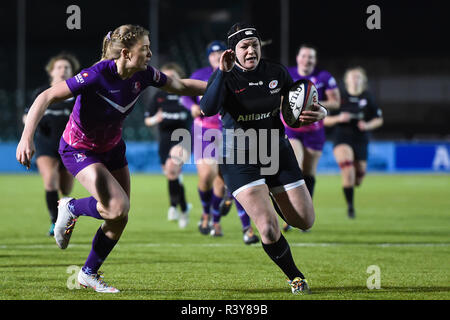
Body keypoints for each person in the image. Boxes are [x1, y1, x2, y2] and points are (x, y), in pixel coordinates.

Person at [16, 24, 206, 293]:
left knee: (119, 216)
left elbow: (180, 85)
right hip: (78, 148)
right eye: (145, 49)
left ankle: (88, 274)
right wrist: (26, 137)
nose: (150, 53)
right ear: (127, 53)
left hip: (113, 148)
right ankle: (71, 208)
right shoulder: (96, 75)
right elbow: (46, 96)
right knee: (117, 207)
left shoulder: (145, 74)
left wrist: (220, 89)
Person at [199, 23, 327, 294]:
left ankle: (267, 195)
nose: (251, 50)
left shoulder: (276, 72)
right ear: (233, 51)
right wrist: (222, 72)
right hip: (239, 158)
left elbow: (302, 101)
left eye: (255, 45)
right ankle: (295, 277)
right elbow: (207, 108)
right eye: (244, 46)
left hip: (277, 152)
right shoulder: (224, 76)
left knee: (304, 221)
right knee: (268, 228)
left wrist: (320, 111)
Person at [181, 41, 259, 244]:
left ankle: (245, 228)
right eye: (212, 53)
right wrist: (191, 106)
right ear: (209, 57)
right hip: (204, 131)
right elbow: (184, 93)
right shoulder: (201, 74)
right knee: (208, 176)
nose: (216, 56)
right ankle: (207, 213)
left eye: (219, 52)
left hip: (230, 130)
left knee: (234, 179)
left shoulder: (238, 74)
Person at [280, 44, 341, 232]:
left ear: (315, 60)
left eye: (311, 57)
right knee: (295, 166)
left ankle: (305, 213)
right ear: (298, 57)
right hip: (292, 129)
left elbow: (336, 102)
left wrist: (312, 102)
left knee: (309, 173)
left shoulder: (324, 77)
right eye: (304, 56)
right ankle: (290, 215)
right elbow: (279, 97)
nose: (307, 60)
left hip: (314, 131)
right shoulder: (287, 74)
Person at [23, 53, 79, 236]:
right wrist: (30, 125)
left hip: (71, 145)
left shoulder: (76, 94)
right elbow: (27, 115)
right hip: (46, 143)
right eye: (59, 67)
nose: (63, 70)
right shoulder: (42, 92)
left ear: (72, 72)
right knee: (50, 180)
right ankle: (55, 223)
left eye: (67, 68)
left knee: (66, 189)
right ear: (52, 71)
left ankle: (65, 210)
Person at [324, 66, 383, 218]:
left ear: (363, 81)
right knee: (347, 167)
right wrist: (339, 118)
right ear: (346, 80)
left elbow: (379, 119)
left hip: (361, 139)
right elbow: (324, 120)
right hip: (342, 137)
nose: (355, 80)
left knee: (358, 179)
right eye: (352, 77)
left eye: (358, 77)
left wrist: (367, 125)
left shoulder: (367, 97)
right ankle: (350, 207)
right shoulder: (339, 97)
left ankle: (354, 185)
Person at [144, 62, 192, 228]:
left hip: (183, 137)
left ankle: (173, 207)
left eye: (172, 76)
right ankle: (184, 208)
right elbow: (147, 120)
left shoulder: (186, 94)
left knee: (172, 168)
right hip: (165, 140)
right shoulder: (158, 96)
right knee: (172, 175)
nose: (169, 79)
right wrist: (155, 119)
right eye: (166, 76)